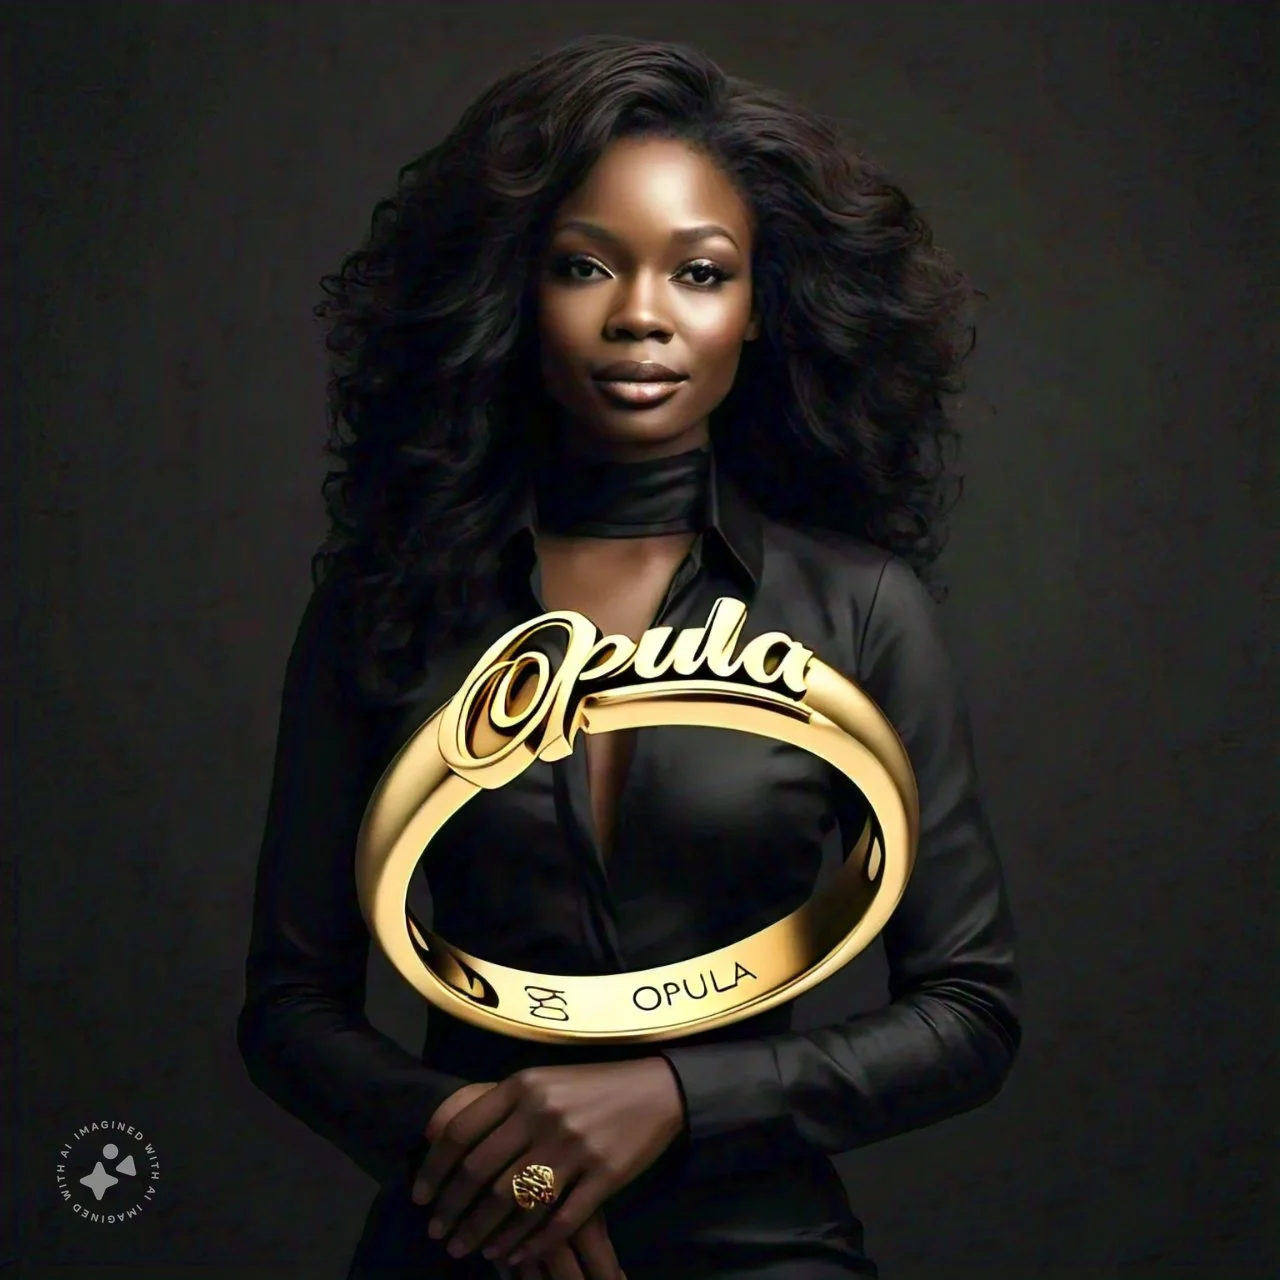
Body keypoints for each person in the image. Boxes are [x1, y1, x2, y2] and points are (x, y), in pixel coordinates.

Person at [235, 34, 1021, 1280]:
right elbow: (289, 1007)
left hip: (764, 1247)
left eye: (700, 272)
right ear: (514, 288)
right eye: (583, 264)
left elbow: (968, 1013)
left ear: (759, 304)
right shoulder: (386, 604)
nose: (641, 314)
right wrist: (491, 1161)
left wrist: (673, 1093)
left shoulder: (861, 609)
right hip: (463, 1239)